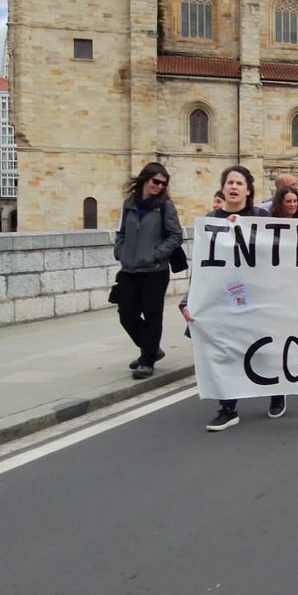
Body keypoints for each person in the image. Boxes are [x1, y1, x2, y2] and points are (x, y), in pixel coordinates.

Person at [185, 166, 287, 431]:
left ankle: (277, 390)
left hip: (256, 296)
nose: (233, 186)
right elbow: (203, 266)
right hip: (223, 299)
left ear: (248, 190)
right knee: (223, 351)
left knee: (263, 348)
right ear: (223, 188)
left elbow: (275, 256)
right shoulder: (211, 220)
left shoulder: (260, 218)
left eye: (239, 183)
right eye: (229, 182)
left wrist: (243, 231)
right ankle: (228, 407)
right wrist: (189, 299)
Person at [114, 163, 184, 380]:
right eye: (156, 182)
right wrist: (120, 251)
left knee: (153, 315)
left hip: (155, 270)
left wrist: (155, 255)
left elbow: (175, 235)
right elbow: (121, 232)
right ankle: (152, 349)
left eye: (164, 184)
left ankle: (147, 359)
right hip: (129, 269)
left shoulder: (165, 207)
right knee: (126, 314)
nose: (159, 186)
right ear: (145, 179)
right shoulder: (129, 204)